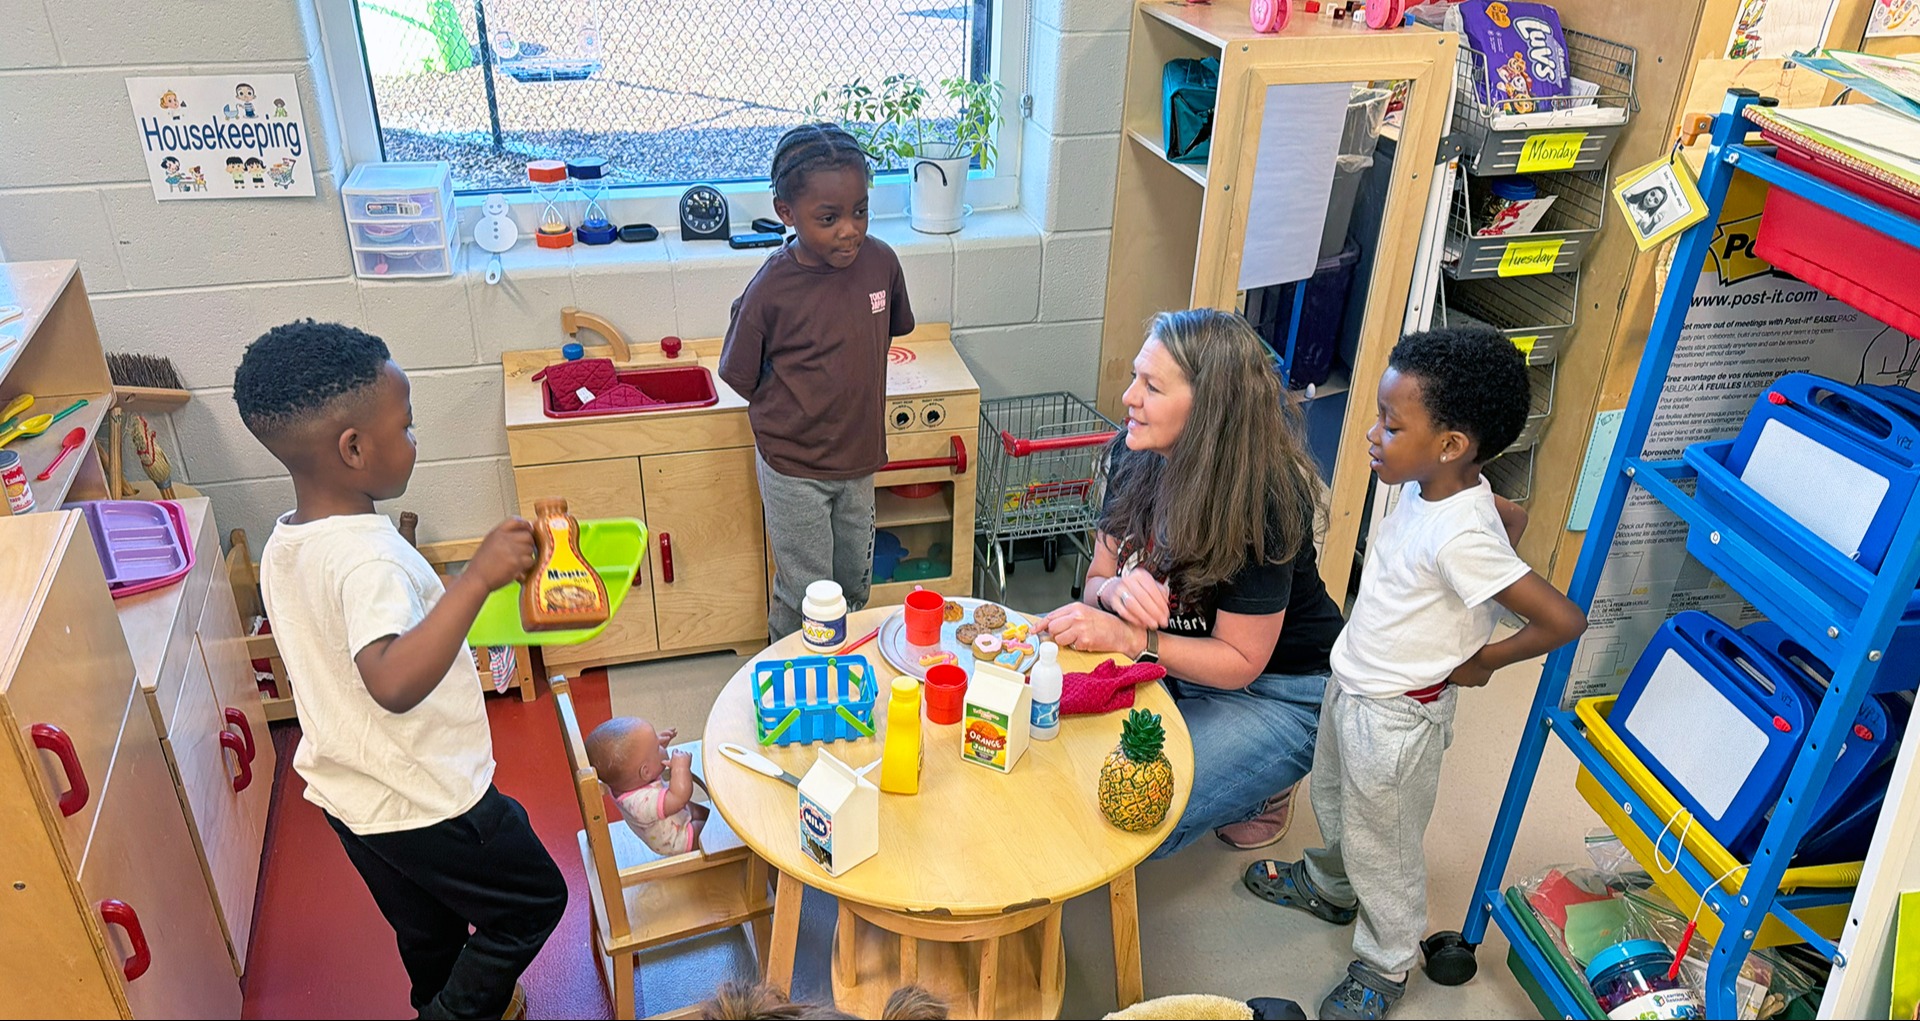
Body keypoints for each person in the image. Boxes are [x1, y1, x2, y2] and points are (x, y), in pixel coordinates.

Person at [1245, 327, 1587, 1020]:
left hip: (1398, 717)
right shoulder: (1427, 482)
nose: (1372, 434)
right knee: (1341, 808)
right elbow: (1508, 513)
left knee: (1386, 844)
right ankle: (1333, 887)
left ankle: (1387, 958)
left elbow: (1561, 620)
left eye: (1391, 424)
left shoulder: (1459, 531)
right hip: (1355, 685)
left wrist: (1482, 658)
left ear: (1451, 444)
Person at [235, 320, 566, 1020]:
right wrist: (476, 579)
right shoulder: (368, 558)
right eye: (407, 426)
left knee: (428, 928)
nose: (416, 439)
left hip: (354, 798)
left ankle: (436, 999)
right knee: (536, 898)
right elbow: (389, 678)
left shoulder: (288, 541)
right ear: (354, 449)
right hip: (430, 796)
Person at [1041, 308, 1344, 855]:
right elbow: (1096, 581)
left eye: (1152, 386)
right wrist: (1112, 593)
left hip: (1276, 690)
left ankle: (1265, 787)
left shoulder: (1266, 498)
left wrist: (1135, 639)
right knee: (1057, 756)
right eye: (1136, 376)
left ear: (1209, 408)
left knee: (1134, 811)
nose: (1129, 397)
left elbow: (1240, 661)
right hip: (1173, 661)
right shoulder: (1134, 451)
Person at [719, 123, 915, 644]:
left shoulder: (881, 263)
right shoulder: (771, 288)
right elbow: (739, 374)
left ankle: (842, 666)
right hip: (794, 469)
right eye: (828, 218)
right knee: (808, 591)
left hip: (858, 462)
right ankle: (786, 677)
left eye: (860, 211)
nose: (849, 229)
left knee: (852, 585)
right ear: (787, 212)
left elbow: (881, 332)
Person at [585, 715, 708, 856]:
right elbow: (680, 798)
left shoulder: (624, 780)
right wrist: (681, 768)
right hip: (677, 839)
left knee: (705, 813)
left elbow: (643, 761)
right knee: (711, 832)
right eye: (657, 748)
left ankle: (706, 818)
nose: (661, 747)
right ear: (646, 772)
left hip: (676, 817)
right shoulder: (641, 804)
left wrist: (654, 747)